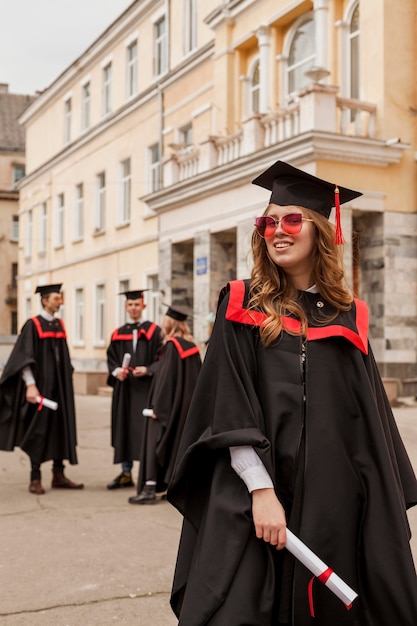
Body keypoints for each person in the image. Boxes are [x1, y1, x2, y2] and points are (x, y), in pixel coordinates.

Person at [167, 161, 417, 625]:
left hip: (334, 502)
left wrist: (371, 503)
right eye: (267, 222)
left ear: (320, 230)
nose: (277, 231)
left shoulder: (349, 317)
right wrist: (261, 491)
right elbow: (227, 405)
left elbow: (368, 423)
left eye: (291, 219)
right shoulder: (242, 304)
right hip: (256, 493)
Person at [0, 283, 84, 494]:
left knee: (60, 428)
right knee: (38, 429)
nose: (60, 302)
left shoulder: (58, 324)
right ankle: (35, 477)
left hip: (61, 387)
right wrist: (30, 385)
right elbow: (24, 358)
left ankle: (58, 474)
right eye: (56, 298)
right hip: (42, 388)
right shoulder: (33, 325)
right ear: (45, 300)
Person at [128, 305, 202, 505]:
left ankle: (150, 488)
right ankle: (175, 487)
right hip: (185, 407)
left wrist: (157, 408)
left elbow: (166, 380)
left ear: (168, 323)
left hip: (166, 406)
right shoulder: (191, 346)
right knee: (176, 445)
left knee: (154, 443)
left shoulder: (171, 346)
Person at [106, 289, 162, 490]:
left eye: (137, 304)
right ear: (125, 307)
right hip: (125, 391)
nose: (134, 308)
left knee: (146, 430)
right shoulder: (118, 333)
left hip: (147, 389)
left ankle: (149, 475)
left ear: (144, 306)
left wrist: (148, 369)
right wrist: (116, 372)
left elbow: (161, 359)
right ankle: (126, 472)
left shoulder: (155, 331)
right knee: (125, 427)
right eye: (130, 305)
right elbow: (111, 360)